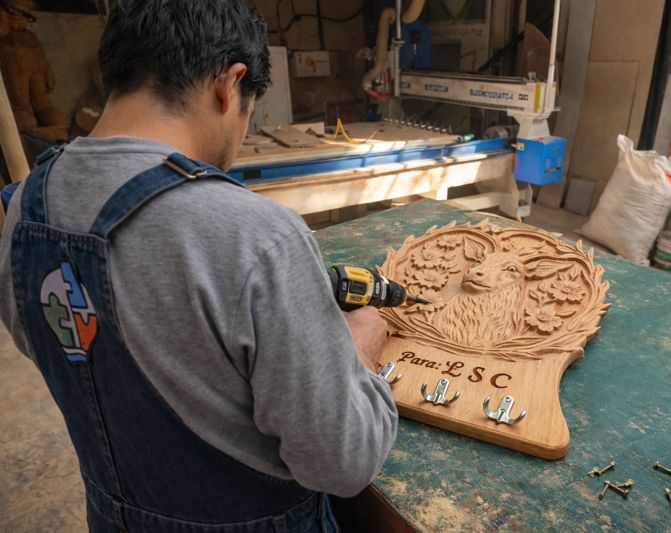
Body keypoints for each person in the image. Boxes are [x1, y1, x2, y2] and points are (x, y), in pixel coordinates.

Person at [0, 1, 397, 531]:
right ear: (229, 85)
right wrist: (357, 353)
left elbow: (72, 357)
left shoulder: (23, 210)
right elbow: (343, 463)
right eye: (248, 113)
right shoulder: (258, 237)